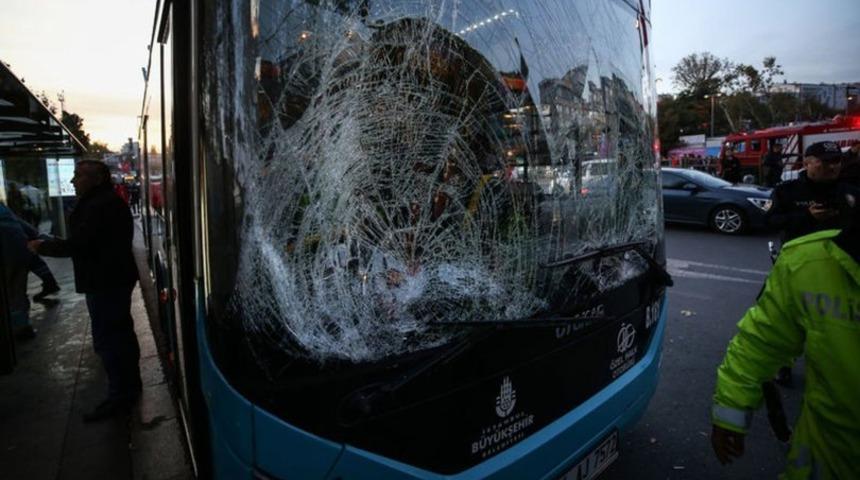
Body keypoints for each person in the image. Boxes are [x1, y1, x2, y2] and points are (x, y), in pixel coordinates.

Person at [710, 186, 860, 479]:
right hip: (826, 456)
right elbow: (760, 341)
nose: (831, 169)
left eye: (835, 164)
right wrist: (731, 411)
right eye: (823, 162)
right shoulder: (808, 260)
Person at [28, 160, 142, 422]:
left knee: (109, 339)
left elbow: (81, 245)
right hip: (112, 279)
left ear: (98, 178)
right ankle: (129, 388)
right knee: (120, 334)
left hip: (106, 282)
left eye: (78, 176)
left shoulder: (99, 206)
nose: (72, 181)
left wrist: (42, 247)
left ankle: (120, 397)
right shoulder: (104, 202)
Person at [767, 141, 851, 244]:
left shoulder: (850, 191)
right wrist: (808, 216)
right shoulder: (785, 191)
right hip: (801, 257)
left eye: (836, 161)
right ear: (806, 164)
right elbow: (769, 221)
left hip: (843, 257)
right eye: (825, 161)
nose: (832, 166)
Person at [0, 202, 34, 339]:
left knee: (8, 293)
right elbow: (26, 227)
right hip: (20, 249)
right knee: (18, 290)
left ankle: (15, 327)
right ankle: (23, 325)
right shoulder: (2, 208)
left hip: (5, 253)